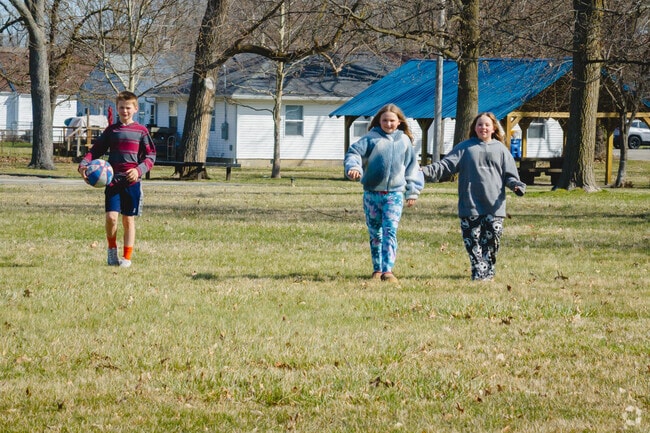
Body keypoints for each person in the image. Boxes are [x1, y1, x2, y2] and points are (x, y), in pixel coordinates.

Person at [421, 112, 525, 281]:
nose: (483, 128)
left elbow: (510, 175)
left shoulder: (501, 149)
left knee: (492, 241)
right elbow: (445, 165)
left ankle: (488, 271)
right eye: (479, 125)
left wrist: (516, 185)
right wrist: (423, 171)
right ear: (474, 128)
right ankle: (478, 271)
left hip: (495, 205)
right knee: (473, 241)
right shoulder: (465, 147)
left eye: (486, 125)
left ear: (493, 128)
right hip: (470, 203)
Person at [344, 104, 423, 283]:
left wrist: (412, 191)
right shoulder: (370, 139)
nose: (388, 124)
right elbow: (353, 153)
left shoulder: (404, 141)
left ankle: (388, 270)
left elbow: (412, 168)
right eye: (385, 120)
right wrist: (354, 168)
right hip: (372, 194)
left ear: (399, 122)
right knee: (376, 234)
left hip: (394, 195)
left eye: (392, 121)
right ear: (379, 121)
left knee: (390, 230)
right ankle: (377, 269)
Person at [78, 91, 156, 268]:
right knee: (111, 218)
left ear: (135, 108)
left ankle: (127, 258)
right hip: (112, 182)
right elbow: (95, 150)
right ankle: (112, 252)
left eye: (128, 107)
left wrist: (138, 170)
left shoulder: (141, 131)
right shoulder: (111, 131)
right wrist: (83, 164)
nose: (125, 111)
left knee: (128, 220)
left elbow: (151, 156)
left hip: (132, 183)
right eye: (121, 107)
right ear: (117, 108)